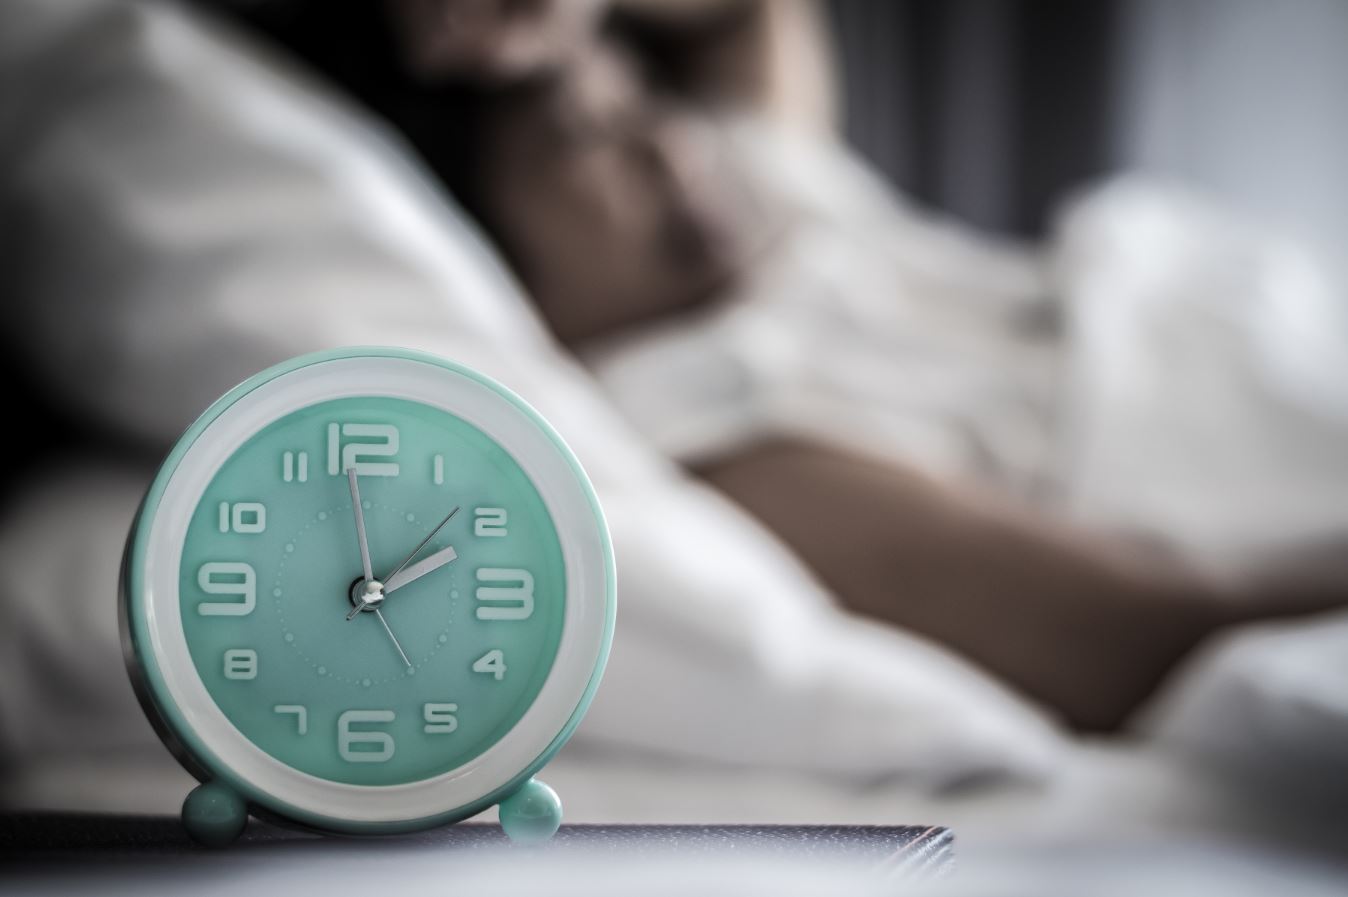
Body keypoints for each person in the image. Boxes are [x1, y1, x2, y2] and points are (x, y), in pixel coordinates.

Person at [209, 0, 1346, 732]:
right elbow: (1150, 624)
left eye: (641, 101)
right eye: (581, 140)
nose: (663, 143)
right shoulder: (707, 434)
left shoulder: (764, 183)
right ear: (468, 235)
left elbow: (740, 15)